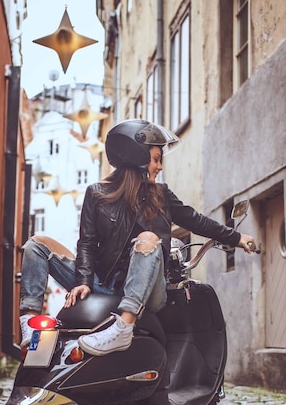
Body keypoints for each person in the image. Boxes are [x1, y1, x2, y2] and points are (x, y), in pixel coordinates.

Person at [19, 119, 256, 355]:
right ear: (137, 158)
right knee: (37, 244)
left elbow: (196, 220)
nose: (159, 167)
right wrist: (82, 281)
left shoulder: (161, 195)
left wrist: (236, 238)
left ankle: (123, 327)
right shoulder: (97, 193)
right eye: (155, 159)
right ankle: (29, 326)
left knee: (148, 239)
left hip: (150, 291)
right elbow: (87, 243)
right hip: (102, 283)